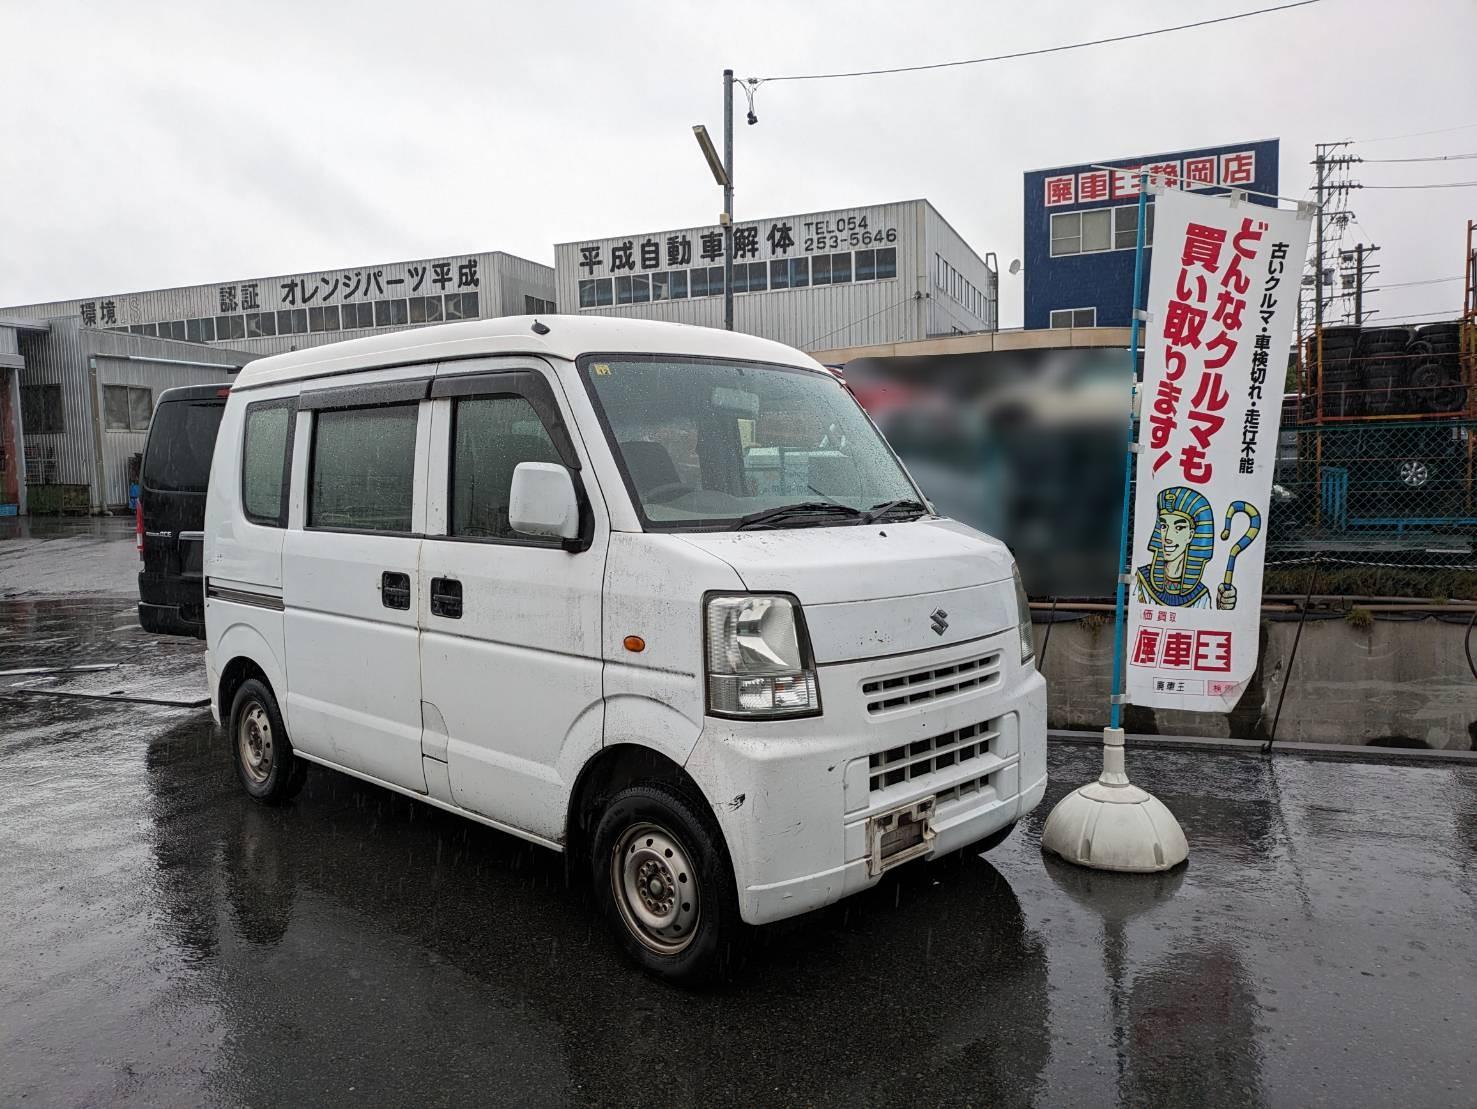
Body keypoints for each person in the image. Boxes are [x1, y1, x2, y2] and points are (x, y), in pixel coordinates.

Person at [1135, 486, 1235, 610]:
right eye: (1163, 526)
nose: (1167, 537)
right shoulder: (1142, 579)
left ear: (1191, 535)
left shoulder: (1200, 595)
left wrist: (1222, 610)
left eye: (1179, 528)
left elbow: (1203, 627)